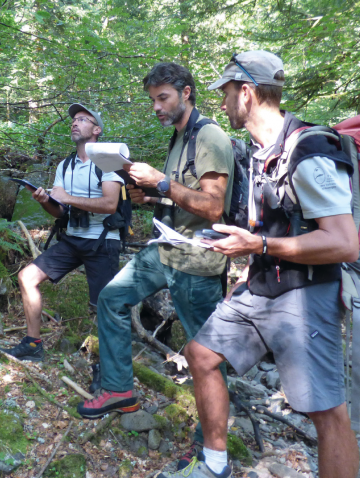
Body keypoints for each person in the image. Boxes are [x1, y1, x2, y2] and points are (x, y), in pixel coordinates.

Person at [156, 51, 360, 478]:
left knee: (325, 411)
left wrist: (260, 244)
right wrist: (247, 267)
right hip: (262, 285)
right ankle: (214, 465)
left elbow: (344, 244)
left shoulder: (309, 148)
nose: (224, 103)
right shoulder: (258, 151)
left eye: (227, 93)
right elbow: (268, 224)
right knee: (201, 354)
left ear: (246, 93)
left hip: (308, 293)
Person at [76, 63, 234, 443]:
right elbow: (183, 196)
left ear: (187, 92)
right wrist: (151, 195)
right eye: (153, 100)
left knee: (205, 354)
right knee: (111, 298)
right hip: (164, 249)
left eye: (163, 98)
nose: (156, 107)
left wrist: (161, 182)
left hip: (197, 260)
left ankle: (209, 445)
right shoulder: (180, 137)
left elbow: (214, 208)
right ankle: (119, 390)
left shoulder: (209, 136)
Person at [1, 104, 124, 362]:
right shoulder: (65, 165)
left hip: (103, 242)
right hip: (72, 239)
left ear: (97, 130)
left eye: (83, 119)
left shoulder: (108, 161)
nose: (74, 123)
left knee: (103, 307)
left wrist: (68, 197)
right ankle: (33, 345)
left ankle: (106, 368)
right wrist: (44, 200)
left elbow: (110, 204)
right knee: (27, 277)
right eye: (73, 120)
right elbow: (59, 212)